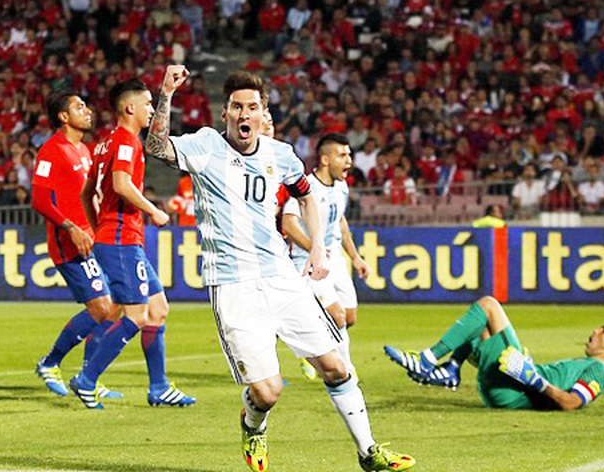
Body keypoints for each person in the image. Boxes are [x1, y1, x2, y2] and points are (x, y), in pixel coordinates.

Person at [145, 65, 415, 472]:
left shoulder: (280, 154)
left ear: (261, 114)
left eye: (251, 107)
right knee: (268, 392)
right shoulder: (204, 147)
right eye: (236, 106)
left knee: (336, 366)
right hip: (233, 286)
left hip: (281, 278)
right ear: (225, 114)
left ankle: (368, 451)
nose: (243, 114)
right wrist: (166, 93)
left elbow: (307, 196)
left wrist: (320, 250)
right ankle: (253, 425)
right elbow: (157, 147)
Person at [69, 79, 196, 410]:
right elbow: (121, 184)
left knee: (158, 309)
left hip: (118, 238)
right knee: (137, 315)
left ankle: (159, 387)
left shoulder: (103, 143)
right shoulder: (126, 141)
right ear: (130, 108)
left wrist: (99, 229)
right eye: (148, 104)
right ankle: (87, 380)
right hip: (122, 239)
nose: (152, 110)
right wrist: (153, 210)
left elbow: (86, 193)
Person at [384, 296, 604, 410]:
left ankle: (426, 360)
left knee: (489, 306)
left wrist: (534, 379)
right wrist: (529, 368)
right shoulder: (586, 364)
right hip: (510, 385)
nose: (596, 330)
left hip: (515, 389)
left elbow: (571, 403)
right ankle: (451, 369)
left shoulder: (600, 371)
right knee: (479, 326)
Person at [31, 89, 122, 400]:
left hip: (91, 239)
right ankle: (50, 363)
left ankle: (88, 377)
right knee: (101, 307)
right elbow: (39, 199)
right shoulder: (51, 150)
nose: (88, 110)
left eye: (87, 104)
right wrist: (71, 228)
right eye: (79, 107)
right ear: (63, 116)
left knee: (114, 308)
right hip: (69, 242)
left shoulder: (85, 151)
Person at [282, 133, 370, 381]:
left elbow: (340, 222)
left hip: (336, 261)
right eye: (342, 155)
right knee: (337, 315)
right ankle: (346, 372)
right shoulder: (305, 186)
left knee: (349, 316)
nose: (349, 161)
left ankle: (310, 347)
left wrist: (356, 257)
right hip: (309, 262)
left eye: (349, 155)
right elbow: (289, 223)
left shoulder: (341, 186)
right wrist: (314, 249)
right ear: (324, 159)